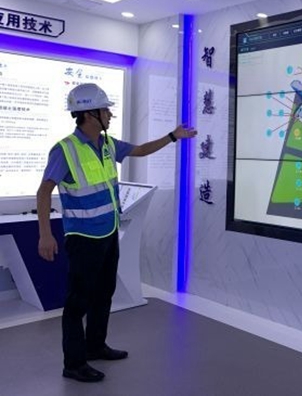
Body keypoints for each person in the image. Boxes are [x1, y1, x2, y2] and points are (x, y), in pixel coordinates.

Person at [36, 83, 197, 383]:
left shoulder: (108, 144)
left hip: (109, 232)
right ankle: (74, 363)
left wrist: (173, 136)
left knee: (104, 293)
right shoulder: (65, 150)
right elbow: (44, 191)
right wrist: (45, 234)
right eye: (105, 110)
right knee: (77, 302)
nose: (110, 114)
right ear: (89, 114)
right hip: (83, 238)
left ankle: (95, 346)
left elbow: (140, 150)